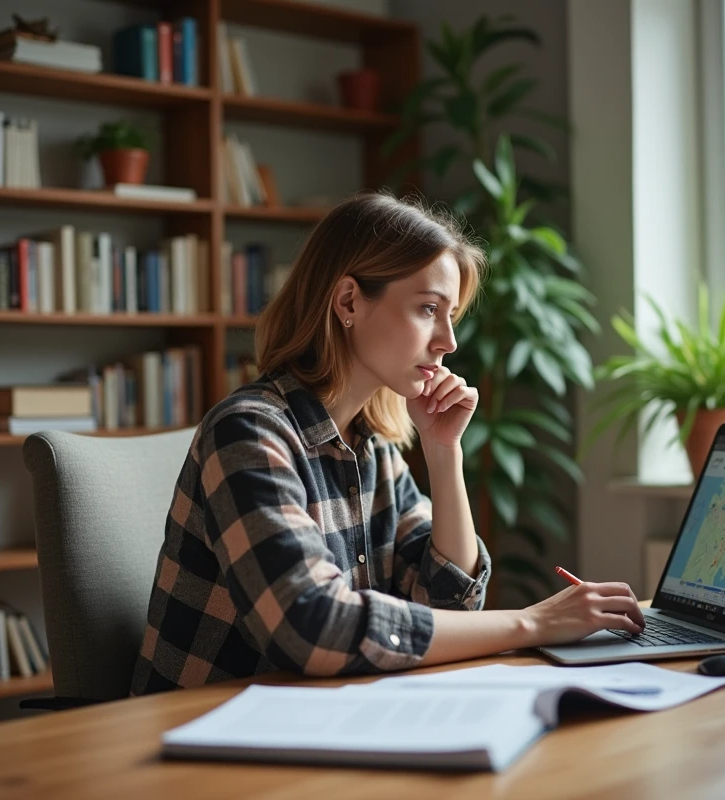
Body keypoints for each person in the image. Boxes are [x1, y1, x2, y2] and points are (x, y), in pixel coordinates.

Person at [130, 192, 645, 694]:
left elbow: (450, 606)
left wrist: (444, 454)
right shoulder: (249, 432)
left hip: (322, 723)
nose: (449, 341)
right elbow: (310, 628)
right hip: (203, 745)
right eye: (428, 309)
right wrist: (531, 624)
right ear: (349, 301)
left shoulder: (372, 447)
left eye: (451, 315)